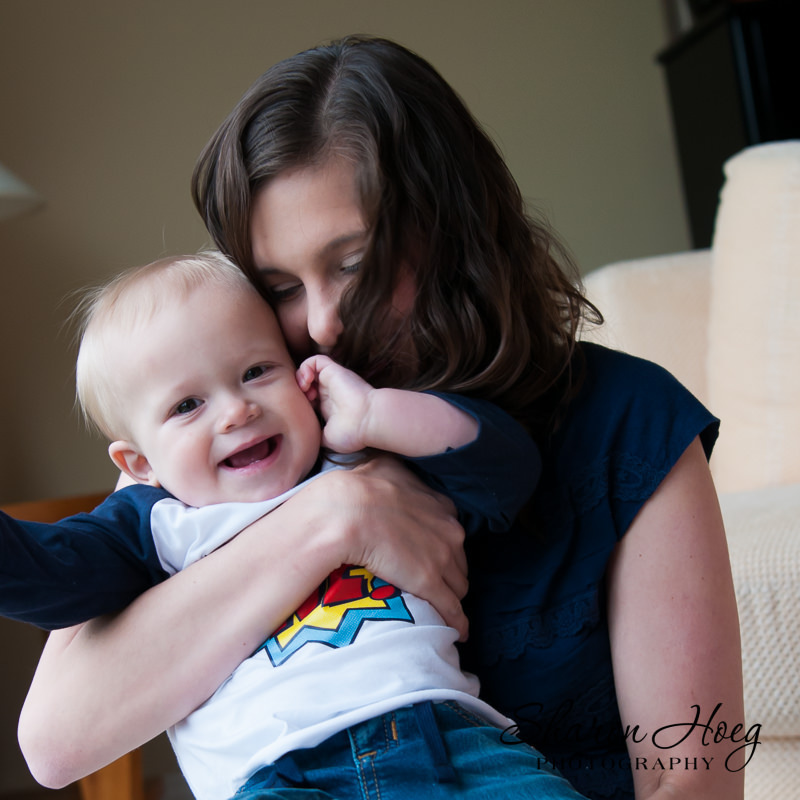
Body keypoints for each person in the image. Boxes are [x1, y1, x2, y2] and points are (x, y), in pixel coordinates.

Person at [18, 35, 745, 800]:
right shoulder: (232, 449)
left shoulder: (627, 421)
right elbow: (57, 743)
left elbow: (699, 784)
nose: (325, 323)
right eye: (281, 286)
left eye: (353, 263)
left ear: (455, 232)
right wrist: (338, 514)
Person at [4, 251, 592, 799]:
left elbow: (509, 472)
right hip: (281, 777)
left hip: (456, 744)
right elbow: (52, 575)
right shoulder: (152, 524)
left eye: (257, 370)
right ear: (140, 464)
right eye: (187, 406)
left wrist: (377, 414)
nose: (237, 410)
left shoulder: (358, 455)